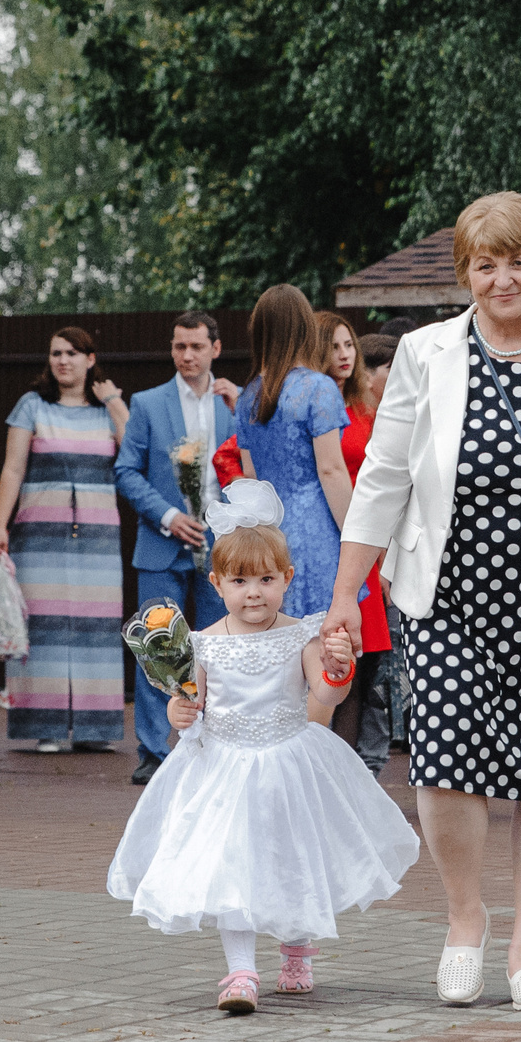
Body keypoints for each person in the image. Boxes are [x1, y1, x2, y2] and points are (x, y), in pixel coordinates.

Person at [327, 190, 521, 1012]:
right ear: (465, 272)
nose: (503, 280)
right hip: (446, 597)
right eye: (485, 264)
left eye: (518, 261)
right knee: (446, 758)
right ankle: (465, 922)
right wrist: (339, 599)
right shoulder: (429, 354)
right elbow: (383, 483)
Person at [107, 480, 420, 1014]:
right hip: (223, 769)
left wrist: (338, 670)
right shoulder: (202, 643)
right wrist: (178, 710)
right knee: (233, 861)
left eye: (266, 580)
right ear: (217, 583)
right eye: (240, 581)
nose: (254, 592)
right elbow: (191, 704)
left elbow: (325, 691)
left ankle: (297, 951)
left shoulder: (301, 635)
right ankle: (241, 971)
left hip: (288, 762)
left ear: (287, 579)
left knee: (290, 856)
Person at [109, 312, 241, 784]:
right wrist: (167, 515)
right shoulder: (147, 403)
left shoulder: (235, 403)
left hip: (222, 547)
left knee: (216, 646)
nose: (187, 355)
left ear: (215, 349)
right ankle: (152, 749)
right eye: (179, 347)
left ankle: (214, 739)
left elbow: (253, 463)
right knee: (157, 646)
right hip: (163, 542)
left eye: (196, 347)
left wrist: (244, 406)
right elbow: (126, 471)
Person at [0, 327, 130, 753]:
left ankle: (95, 729)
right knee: (44, 630)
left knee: (97, 630)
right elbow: (13, 469)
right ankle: (46, 726)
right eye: (55, 353)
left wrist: (114, 401)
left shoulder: (108, 409)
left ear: (91, 358)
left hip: (98, 539)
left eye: (72, 353)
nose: (62, 360)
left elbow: (134, 452)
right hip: (39, 536)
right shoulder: (32, 406)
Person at [231, 285, 352, 620]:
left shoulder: (248, 396)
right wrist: (359, 535)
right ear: (305, 329)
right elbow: (331, 470)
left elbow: (250, 477)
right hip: (315, 531)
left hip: (268, 533)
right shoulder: (318, 387)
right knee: (325, 645)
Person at [330, 332, 399, 775]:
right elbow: (233, 457)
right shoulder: (309, 403)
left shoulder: (369, 414)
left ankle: (359, 773)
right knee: (323, 660)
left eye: (347, 346)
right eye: (333, 347)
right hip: (325, 543)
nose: (342, 355)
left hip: (371, 546)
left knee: (367, 661)